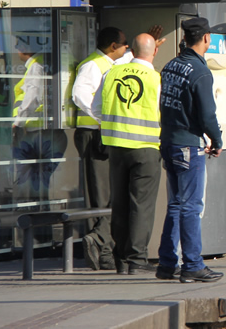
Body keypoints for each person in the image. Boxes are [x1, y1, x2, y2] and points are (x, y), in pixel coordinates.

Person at [156, 17, 224, 283]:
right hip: (188, 145)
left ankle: (166, 263)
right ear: (206, 38)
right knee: (191, 206)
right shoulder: (200, 72)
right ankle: (193, 264)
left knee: (175, 204)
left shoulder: (171, 65)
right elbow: (208, 114)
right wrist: (216, 140)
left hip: (169, 141)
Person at [89, 32, 162, 274]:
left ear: (132, 51)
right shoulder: (155, 78)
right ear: (154, 52)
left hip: (117, 148)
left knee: (119, 204)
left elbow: (96, 107)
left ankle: (120, 260)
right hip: (146, 150)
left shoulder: (112, 73)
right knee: (141, 205)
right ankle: (137, 261)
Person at [68, 26, 130, 271]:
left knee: (110, 193)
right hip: (94, 135)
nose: (127, 49)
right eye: (124, 44)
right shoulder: (93, 65)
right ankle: (101, 249)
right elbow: (80, 95)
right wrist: (102, 119)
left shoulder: (109, 63)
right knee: (100, 194)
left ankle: (106, 247)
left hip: (103, 134)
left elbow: (133, 56)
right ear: (113, 46)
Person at [13, 39, 46, 130]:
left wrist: (18, 122)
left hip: (34, 126)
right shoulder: (42, 62)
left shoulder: (36, 65)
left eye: (17, 47)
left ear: (23, 48)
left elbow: (33, 95)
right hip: (39, 125)